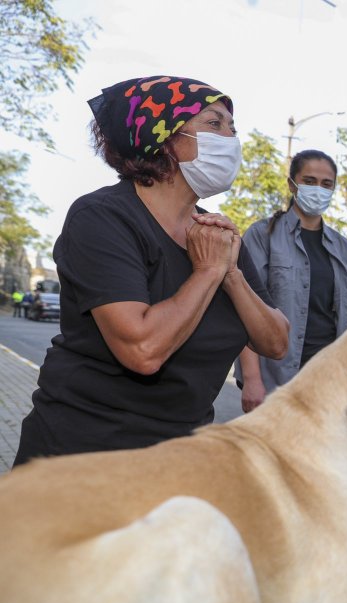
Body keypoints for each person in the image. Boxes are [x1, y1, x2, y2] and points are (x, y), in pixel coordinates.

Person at [14, 75, 288, 465]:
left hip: (178, 457)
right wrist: (208, 272)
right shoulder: (103, 217)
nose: (231, 139)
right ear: (164, 138)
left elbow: (276, 342)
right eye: (214, 124)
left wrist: (232, 274)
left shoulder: (215, 233)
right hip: (82, 458)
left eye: (233, 128)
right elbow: (142, 350)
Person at [235, 149, 347, 413]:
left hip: (329, 380)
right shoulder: (262, 236)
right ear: (292, 184)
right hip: (275, 380)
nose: (319, 189)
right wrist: (252, 379)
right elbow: (244, 311)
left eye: (327, 184)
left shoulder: (343, 248)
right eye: (310, 181)